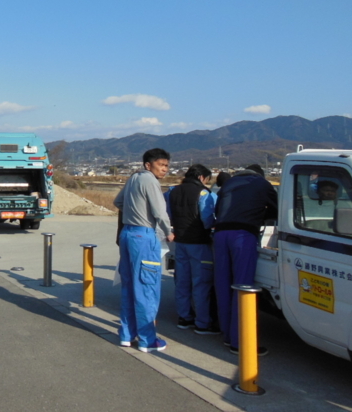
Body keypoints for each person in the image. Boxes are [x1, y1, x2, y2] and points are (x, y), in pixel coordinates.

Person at [213, 164, 278, 355]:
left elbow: (218, 209)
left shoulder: (229, 184)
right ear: (260, 174)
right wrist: (260, 215)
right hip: (242, 235)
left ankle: (227, 335)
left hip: (220, 235)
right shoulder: (263, 184)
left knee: (223, 285)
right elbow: (277, 210)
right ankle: (239, 341)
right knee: (242, 287)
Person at [113, 148, 174, 353]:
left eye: (166, 166)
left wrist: (134, 211)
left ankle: (127, 334)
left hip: (127, 234)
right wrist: (169, 231)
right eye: (161, 165)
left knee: (129, 286)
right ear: (148, 165)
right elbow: (160, 212)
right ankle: (147, 340)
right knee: (147, 288)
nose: (164, 169)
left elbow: (118, 202)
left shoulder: (133, 178)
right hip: (143, 235)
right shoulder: (150, 180)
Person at [166, 164, 220, 335]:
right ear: (201, 177)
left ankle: (184, 317)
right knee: (201, 283)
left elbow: (168, 214)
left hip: (180, 242)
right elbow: (207, 220)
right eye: (207, 179)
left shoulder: (172, 191)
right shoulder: (203, 193)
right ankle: (202, 323)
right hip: (199, 243)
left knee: (182, 281)